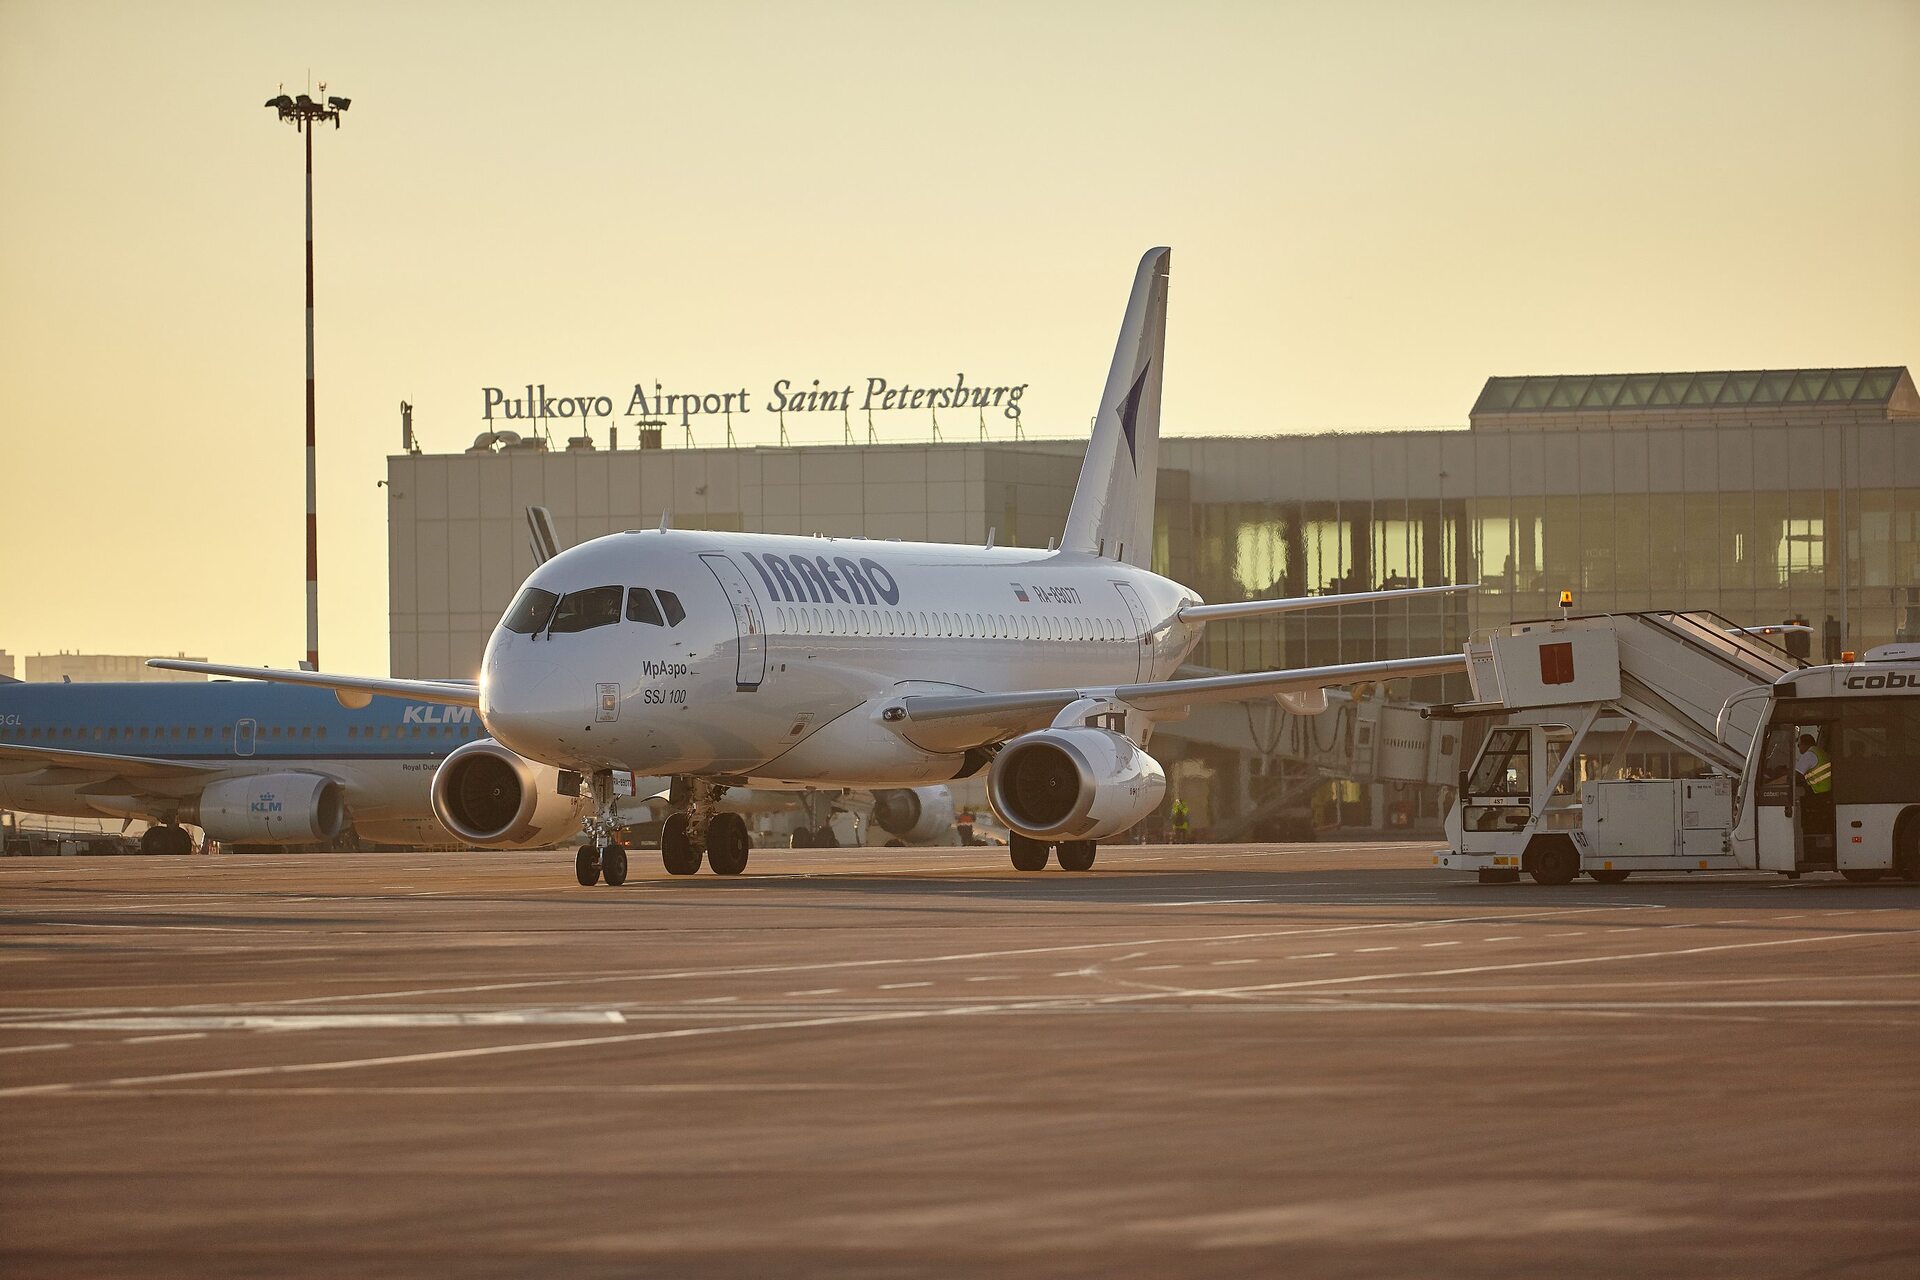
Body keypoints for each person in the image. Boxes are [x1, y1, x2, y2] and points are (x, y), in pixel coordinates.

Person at [1795, 732, 1833, 834]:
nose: (1798, 748)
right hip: (1828, 793)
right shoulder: (1821, 752)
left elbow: (1796, 776)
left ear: (1804, 744)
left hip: (1818, 794)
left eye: (1799, 745)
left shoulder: (1809, 755)